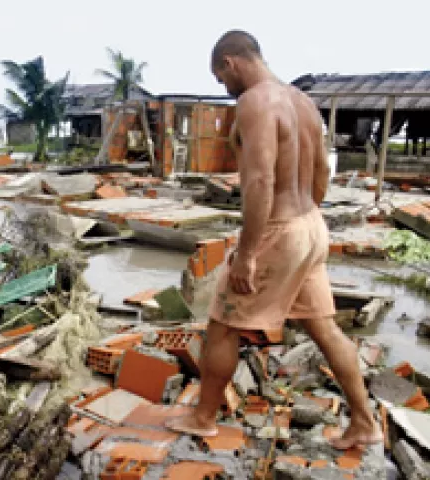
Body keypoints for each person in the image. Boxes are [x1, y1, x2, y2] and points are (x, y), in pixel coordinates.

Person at [166, 30, 382, 450]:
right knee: (326, 330)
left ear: (231, 62)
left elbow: (261, 178)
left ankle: (203, 417)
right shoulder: (303, 103)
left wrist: (249, 252)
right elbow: (321, 171)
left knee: (223, 327)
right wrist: (304, 222)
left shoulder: (255, 101)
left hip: (279, 230)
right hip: (311, 224)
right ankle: (364, 422)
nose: (224, 89)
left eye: (220, 78)